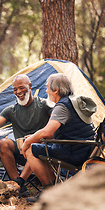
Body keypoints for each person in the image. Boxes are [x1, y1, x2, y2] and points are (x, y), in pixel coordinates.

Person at [22, 73, 97, 202]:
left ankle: (49, 193)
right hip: (84, 149)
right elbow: (53, 133)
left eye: (47, 87)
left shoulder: (62, 106)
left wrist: (27, 141)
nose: (46, 91)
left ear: (55, 90)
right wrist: (35, 137)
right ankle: (56, 188)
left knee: (31, 149)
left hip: (73, 152)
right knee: (40, 147)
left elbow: (47, 132)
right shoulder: (75, 101)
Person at [0, 74, 52, 195]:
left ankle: (20, 182)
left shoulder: (44, 105)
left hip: (41, 152)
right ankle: (16, 182)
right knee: (2, 143)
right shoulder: (11, 110)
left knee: (32, 145)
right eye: (15, 89)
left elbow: (55, 126)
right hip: (20, 150)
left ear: (30, 86)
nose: (18, 92)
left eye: (22, 87)